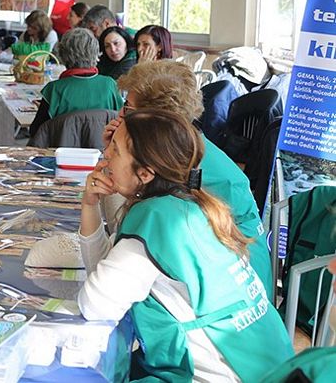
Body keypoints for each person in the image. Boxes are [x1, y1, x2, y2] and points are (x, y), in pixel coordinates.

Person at [79, 109, 292, 381]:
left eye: (116, 149)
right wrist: (90, 205)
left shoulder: (157, 220)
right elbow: (106, 275)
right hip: (267, 364)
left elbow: (96, 306)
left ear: (145, 174)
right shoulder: (191, 204)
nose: (106, 154)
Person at [102, 61, 273, 297]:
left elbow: (127, 230)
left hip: (234, 287)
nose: (120, 114)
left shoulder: (183, 164)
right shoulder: (183, 145)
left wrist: (118, 160)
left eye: (128, 109)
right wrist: (115, 154)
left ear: (154, 118)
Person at [28, 28, 123, 136]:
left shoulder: (53, 89)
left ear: (63, 55)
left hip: (61, 150)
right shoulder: (110, 85)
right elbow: (122, 123)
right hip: (102, 150)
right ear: (96, 53)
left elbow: (35, 132)